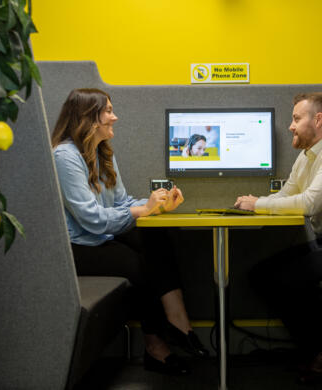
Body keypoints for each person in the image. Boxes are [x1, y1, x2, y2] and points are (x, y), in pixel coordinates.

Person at [51, 88, 209, 375]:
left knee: (157, 236)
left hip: (100, 236)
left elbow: (123, 203)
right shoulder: (65, 156)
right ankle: (158, 342)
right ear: (89, 118)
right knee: (137, 264)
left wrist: (159, 203)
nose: (115, 117)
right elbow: (91, 220)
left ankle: (177, 319)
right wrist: (143, 209)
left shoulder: (102, 153)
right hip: (77, 246)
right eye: (108, 111)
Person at [234, 92, 322, 384]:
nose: (291, 126)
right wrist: (255, 201)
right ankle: (316, 349)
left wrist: (258, 205)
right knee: (261, 275)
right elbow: (288, 194)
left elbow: (309, 202)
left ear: (319, 119)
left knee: (287, 278)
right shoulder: (307, 156)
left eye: (297, 119)